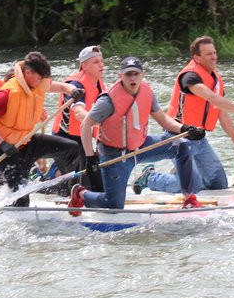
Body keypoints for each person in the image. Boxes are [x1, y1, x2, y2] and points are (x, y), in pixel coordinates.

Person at [68, 56, 203, 213]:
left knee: (181, 146)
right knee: (114, 207)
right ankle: (80, 193)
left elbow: (163, 119)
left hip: (141, 146)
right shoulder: (108, 100)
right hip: (115, 155)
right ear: (120, 76)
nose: (132, 78)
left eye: (135, 74)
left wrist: (185, 129)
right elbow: (86, 125)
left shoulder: (147, 91)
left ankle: (189, 199)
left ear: (142, 75)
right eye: (128, 74)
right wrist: (90, 158)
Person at [140, 36, 234, 194]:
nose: (214, 56)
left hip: (198, 138)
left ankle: (183, 173)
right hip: (178, 137)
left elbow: (221, 114)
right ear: (197, 57)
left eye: (215, 52)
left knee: (218, 185)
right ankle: (150, 177)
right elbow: (212, 98)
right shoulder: (190, 77)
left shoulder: (214, 79)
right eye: (209, 54)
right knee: (193, 185)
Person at [0, 51, 83, 207]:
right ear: (28, 73)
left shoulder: (37, 82)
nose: (42, 82)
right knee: (21, 199)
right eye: (40, 78)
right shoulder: (6, 94)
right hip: (7, 151)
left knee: (72, 149)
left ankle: (72, 193)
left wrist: (71, 90)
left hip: (28, 142)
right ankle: (5, 206)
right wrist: (3, 144)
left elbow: (61, 86)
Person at [46, 45, 107, 193]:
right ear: (84, 66)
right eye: (96, 62)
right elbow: (79, 113)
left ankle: (55, 174)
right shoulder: (75, 85)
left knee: (97, 180)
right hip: (65, 140)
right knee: (81, 186)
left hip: (82, 138)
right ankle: (45, 183)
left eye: (101, 61)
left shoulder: (99, 83)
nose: (101, 65)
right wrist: (101, 122)